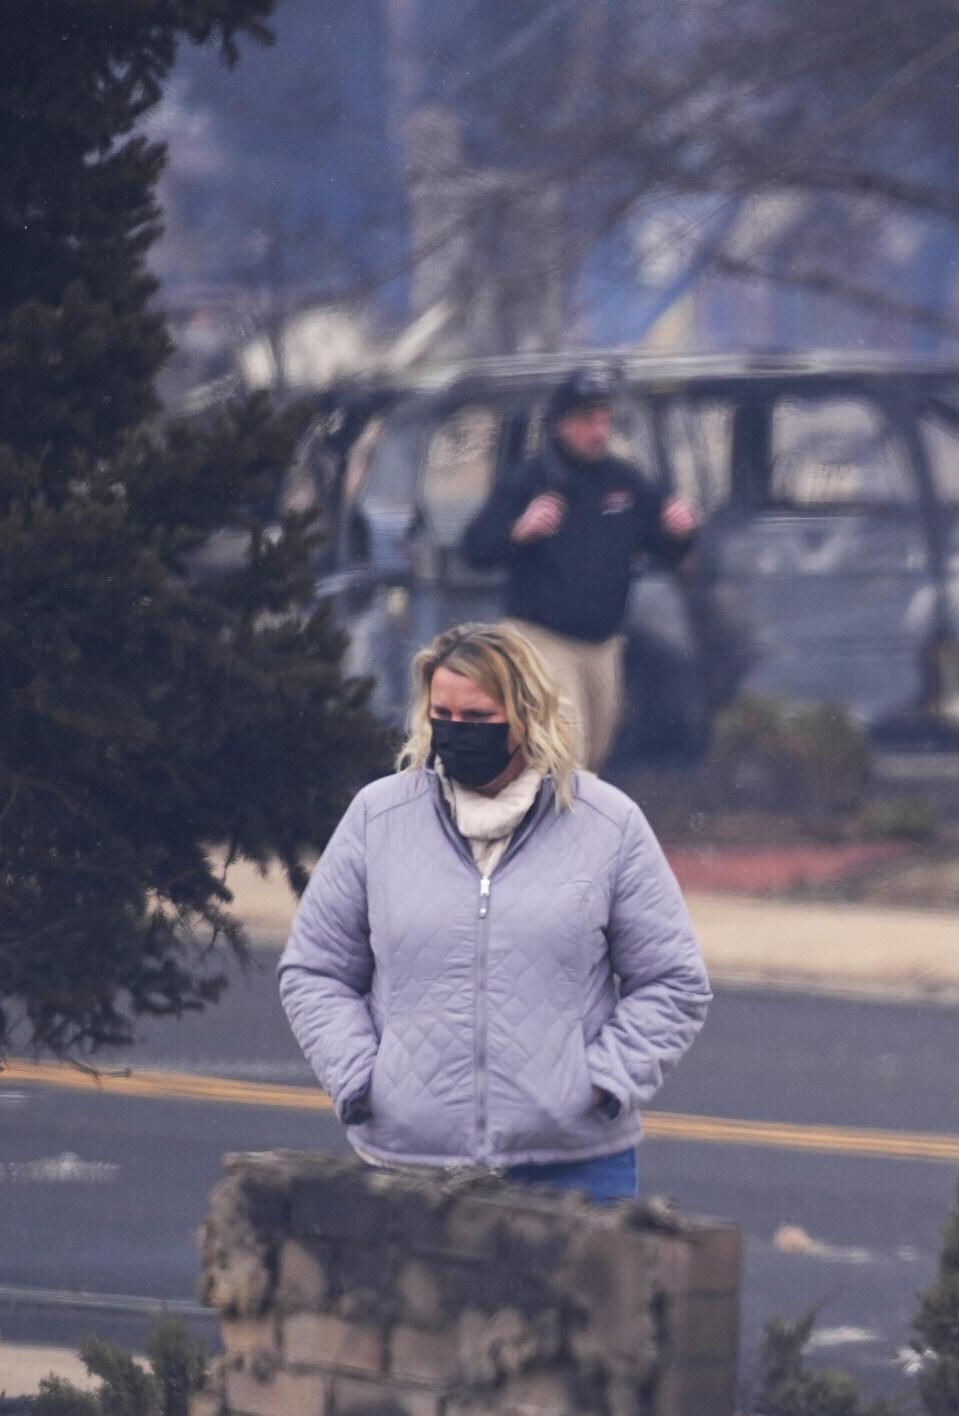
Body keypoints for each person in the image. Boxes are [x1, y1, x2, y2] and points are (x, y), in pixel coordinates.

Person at [280, 623, 711, 1199]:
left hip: (575, 1166)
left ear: (528, 714)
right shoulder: (376, 819)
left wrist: (605, 1083)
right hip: (411, 1164)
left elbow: (673, 980)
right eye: (443, 716)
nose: (457, 734)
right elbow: (315, 970)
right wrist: (360, 1080)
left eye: (479, 719)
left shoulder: (609, 824)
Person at [459, 367, 697, 768]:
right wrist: (518, 532)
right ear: (561, 424)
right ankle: (551, 825)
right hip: (541, 637)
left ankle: (562, 826)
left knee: (594, 756)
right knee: (565, 746)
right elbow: (475, 548)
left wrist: (681, 532)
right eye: (588, 420)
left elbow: (664, 552)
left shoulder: (624, 482)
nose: (599, 431)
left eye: (605, 419)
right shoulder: (529, 480)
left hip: (603, 643)